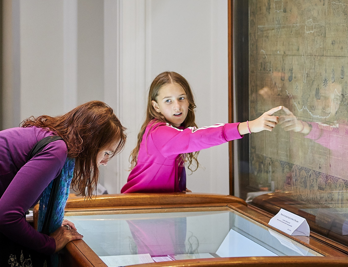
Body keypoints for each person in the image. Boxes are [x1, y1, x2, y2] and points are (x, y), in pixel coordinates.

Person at [0, 100, 126, 266]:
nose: (105, 162)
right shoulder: (57, 151)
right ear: (92, 144)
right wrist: (49, 244)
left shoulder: (50, 136)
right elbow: (6, 216)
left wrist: (52, 220)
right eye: (107, 152)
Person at [121, 71, 282, 193]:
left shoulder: (172, 131)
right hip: (142, 213)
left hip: (156, 213)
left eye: (181, 98)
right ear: (156, 106)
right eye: (168, 101)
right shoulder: (159, 133)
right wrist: (249, 126)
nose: (177, 106)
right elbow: (197, 138)